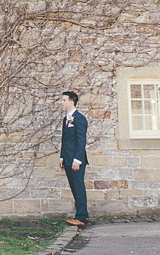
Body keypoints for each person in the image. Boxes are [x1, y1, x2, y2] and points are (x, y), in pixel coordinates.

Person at [59, 90, 89, 227]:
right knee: (74, 187)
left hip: (76, 161)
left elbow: (81, 141)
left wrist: (77, 160)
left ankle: (81, 217)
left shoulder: (80, 118)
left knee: (78, 187)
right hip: (68, 159)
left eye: (64, 100)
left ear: (72, 102)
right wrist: (62, 157)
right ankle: (84, 214)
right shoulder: (67, 118)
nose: (62, 102)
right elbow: (66, 140)